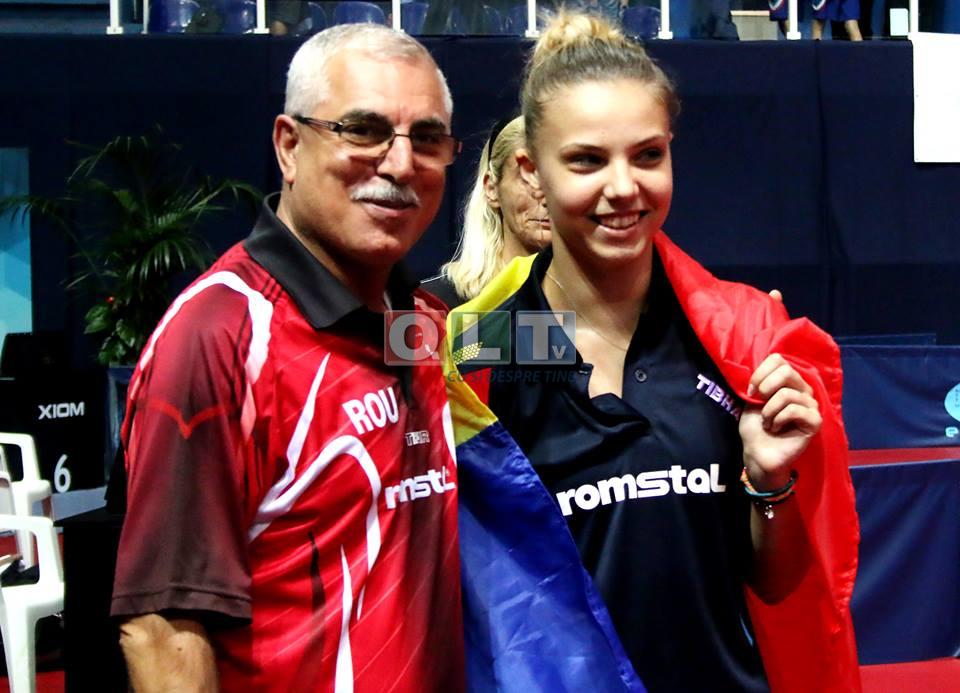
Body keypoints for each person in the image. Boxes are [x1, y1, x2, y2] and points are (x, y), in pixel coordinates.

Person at [445, 10, 860, 692]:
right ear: (530, 171)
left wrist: (770, 479)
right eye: (586, 160)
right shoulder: (481, 347)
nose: (623, 187)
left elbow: (779, 583)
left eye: (647, 155)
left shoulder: (739, 337)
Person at [111, 23, 466, 692]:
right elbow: (161, 629)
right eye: (362, 130)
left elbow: (566, 345)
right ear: (289, 145)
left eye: (426, 139)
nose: (399, 164)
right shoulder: (216, 335)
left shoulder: (418, 321)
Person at [423, 116, 551, 308]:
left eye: (557, 181)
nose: (547, 198)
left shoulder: (596, 308)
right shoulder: (428, 306)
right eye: (529, 177)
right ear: (492, 188)